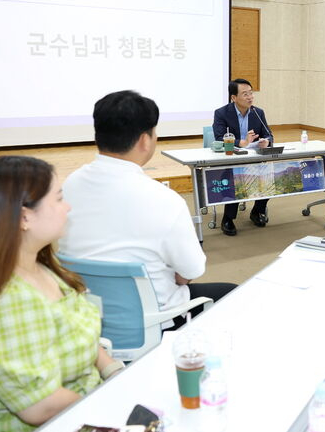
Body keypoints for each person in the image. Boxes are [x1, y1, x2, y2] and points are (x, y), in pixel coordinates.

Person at [0, 156, 122, 431]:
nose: (68, 207)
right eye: (59, 199)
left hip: (81, 409)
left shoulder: (40, 267)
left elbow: (76, 332)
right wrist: (115, 406)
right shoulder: (4, 302)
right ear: (24, 217)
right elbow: (40, 407)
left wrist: (115, 372)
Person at [59, 90, 236, 330]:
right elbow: (190, 271)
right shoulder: (164, 199)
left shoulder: (70, 185)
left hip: (87, 316)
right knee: (237, 293)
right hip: (154, 321)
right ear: (145, 140)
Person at [212, 78, 273, 236]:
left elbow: (269, 134)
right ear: (234, 97)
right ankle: (228, 218)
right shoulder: (221, 113)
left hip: (254, 158)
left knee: (269, 173)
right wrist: (242, 142)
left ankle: (257, 211)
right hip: (231, 158)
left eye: (251, 93)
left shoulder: (258, 112)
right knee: (236, 176)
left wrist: (266, 141)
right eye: (245, 94)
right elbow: (219, 138)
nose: (250, 97)